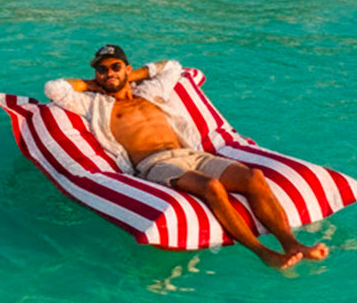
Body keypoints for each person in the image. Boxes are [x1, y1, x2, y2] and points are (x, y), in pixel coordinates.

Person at [45, 45, 328, 270]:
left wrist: (132, 77)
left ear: (127, 69)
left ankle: (291, 244)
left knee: (253, 178)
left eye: (115, 67)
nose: (108, 73)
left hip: (192, 154)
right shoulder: (94, 103)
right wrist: (95, 84)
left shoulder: (150, 91)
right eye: (102, 70)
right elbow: (54, 89)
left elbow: (173, 68)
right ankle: (262, 252)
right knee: (211, 187)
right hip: (154, 164)